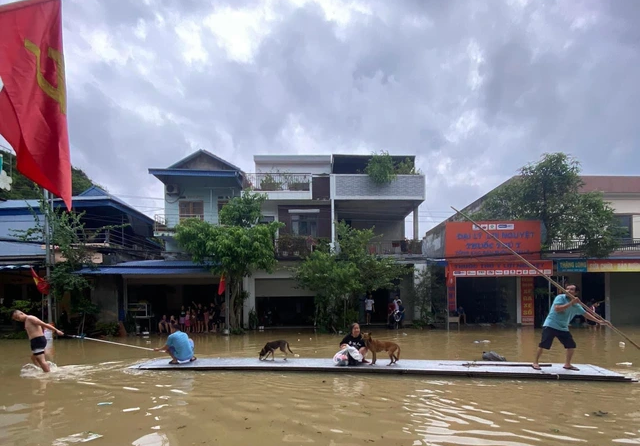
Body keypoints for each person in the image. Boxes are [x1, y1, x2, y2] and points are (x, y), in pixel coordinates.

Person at [532, 284, 610, 371]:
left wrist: (599, 321)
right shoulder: (560, 298)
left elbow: (585, 314)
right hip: (551, 325)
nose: (568, 291)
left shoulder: (577, 305)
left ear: (576, 292)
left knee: (571, 345)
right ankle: (535, 362)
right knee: (544, 344)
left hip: (563, 327)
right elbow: (557, 309)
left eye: (571, 290)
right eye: (567, 289)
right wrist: (571, 303)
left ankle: (567, 364)